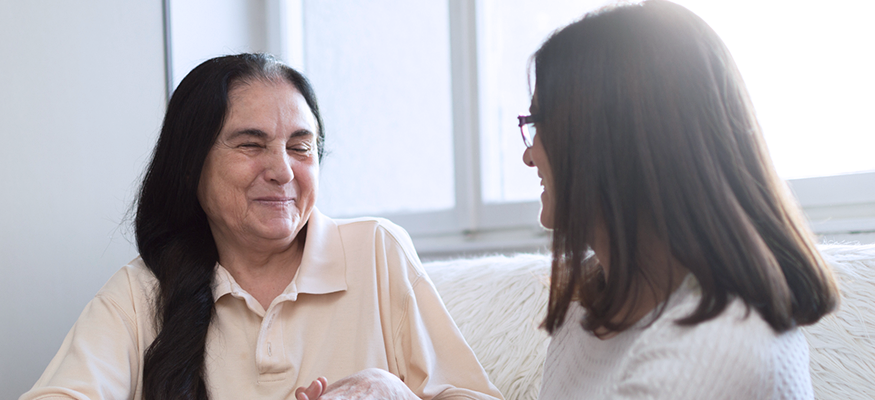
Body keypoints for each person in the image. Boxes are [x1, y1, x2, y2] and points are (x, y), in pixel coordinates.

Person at [21, 53, 502, 400]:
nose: (283, 170)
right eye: (251, 144)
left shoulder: (377, 251)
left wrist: (395, 395)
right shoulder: (142, 292)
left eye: (300, 146)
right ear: (191, 167)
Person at [518, 1, 839, 399]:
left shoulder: (716, 350)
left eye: (538, 124)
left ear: (612, 143)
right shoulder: (596, 295)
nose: (528, 155)